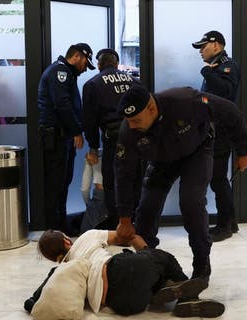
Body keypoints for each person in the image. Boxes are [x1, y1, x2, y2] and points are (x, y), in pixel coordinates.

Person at [114, 85, 247, 283]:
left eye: (136, 120)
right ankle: (148, 264)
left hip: (196, 151)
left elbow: (229, 110)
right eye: (128, 121)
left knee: (191, 202)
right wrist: (125, 219)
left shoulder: (185, 101)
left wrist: (243, 150)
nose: (132, 125)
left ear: (152, 109)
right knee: (146, 208)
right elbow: (123, 174)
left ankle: (201, 265)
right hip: (162, 160)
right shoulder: (129, 131)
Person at [26, 229, 225, 318]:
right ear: (67, 241)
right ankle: (184, 297)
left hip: (122, 304)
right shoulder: (86, 237)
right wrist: (147, 251)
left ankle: (168, 291)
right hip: (119, 270)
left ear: (54, 259)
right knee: (163, 259)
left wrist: (32, 303)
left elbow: (33, 301)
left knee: (153, 280)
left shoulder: (60, 272)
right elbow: (125, 235)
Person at [82, 48, 143, 229]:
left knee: (112, 181)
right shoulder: (134, 81)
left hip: (114, 140)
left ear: (99, 65)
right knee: (135, 179)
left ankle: (118, 224)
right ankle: (136, 221)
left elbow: (89, 120)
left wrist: (93, 146)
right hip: (137, 138)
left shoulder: (92, 84)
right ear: (117, 64)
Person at [38, 43, 95, 232]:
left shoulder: (66, 73)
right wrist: (77, 131)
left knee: (63, 182)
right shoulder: (59, 72)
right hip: (56, 138)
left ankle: (60, 226)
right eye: (86, 62)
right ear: (77, 56)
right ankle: (52, 230)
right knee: (55, 185)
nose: (85, 68)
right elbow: (61, 104)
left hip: (63, 137)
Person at [192, 30, 242, 242]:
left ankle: (224, 226)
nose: (201, 51)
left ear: (216, 45)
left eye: (203, 47)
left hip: (223, 130)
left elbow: (226, 91)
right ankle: (230, 222)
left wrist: (207, 73)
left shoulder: (227, 65)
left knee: (218, 179)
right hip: (214, 129)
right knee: (218, 179)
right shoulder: (216, 67)